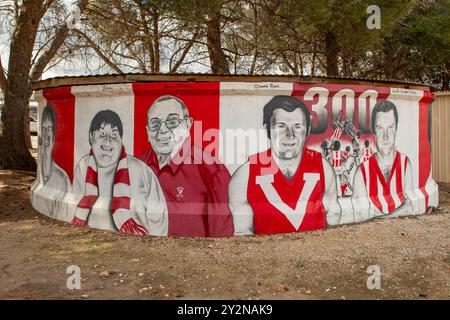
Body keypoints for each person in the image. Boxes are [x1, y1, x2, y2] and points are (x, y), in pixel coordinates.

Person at [229, 95, 341, 235]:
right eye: (281, 126)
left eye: (297, 126)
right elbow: (242, 236)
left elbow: (333, 216)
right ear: (267, 128)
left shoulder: (323, 168)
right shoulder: (245, 176)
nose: (290, 134)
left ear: (307, 131)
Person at [138, 95, 234, 237]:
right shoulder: (135, 166)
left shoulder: (213, 171)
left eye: (172, 121)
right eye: (155, 123)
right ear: (147, 131)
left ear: (188, 124)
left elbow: (221, 240)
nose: (163, 130)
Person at [71, 110, 168, 236]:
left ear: (121, 140)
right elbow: (73, 205)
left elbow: (159, 217)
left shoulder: (141, 170)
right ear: (91, 136)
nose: (107, 141)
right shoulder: (83, 167)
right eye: (102, 134)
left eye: (114, 135)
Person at [352, 100, 414, 221]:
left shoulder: (405, 164)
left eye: (390, 127)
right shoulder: (362, 172)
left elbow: (410, 207)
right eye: (380, 128)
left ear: (396, 129)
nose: (385, 136)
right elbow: (360, 214)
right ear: (374, 133)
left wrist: (380, 218)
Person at [31, 105, 71, 220]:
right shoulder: (41, 171)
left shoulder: (62, 179)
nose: (46, 135)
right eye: (43, 129)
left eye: (49, 129)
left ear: (54, 134)